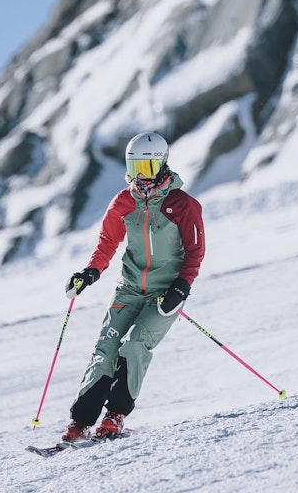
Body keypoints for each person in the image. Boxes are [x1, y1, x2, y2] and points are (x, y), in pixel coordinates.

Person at [61, 132, 205, 442]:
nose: (140, 175)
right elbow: (107, 242)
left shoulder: (182, 205)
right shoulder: (124, 202)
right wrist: (89, 273)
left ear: (162, 165)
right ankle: (80, 422)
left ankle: (115, 416)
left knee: (136, 345)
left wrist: (180, 288)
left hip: (164, 294)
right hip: (128, 289)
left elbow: (195, 251)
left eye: (147, 167)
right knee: (106, 350)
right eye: (134, 166)